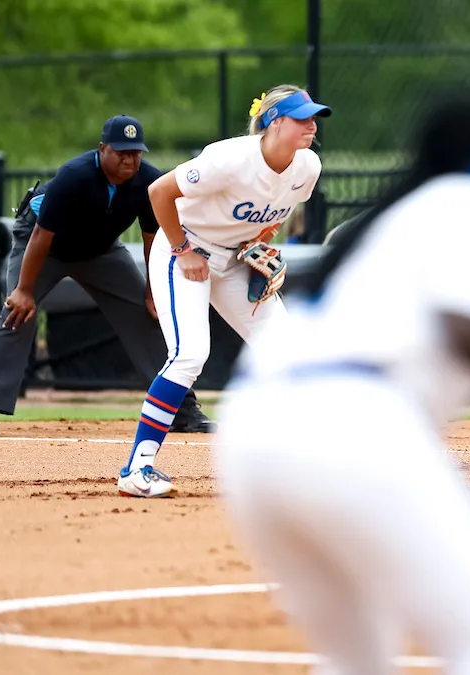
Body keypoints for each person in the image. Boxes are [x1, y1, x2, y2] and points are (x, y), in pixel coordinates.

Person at [213, 91, 470, 675]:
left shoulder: (398, 217)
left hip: (252, 431)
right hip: (356, 425)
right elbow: (467, 327)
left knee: (354, 660)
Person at [117, 85, 328, 498]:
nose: (311, 125)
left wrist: (259, 245)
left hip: (233, 260)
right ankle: (137, 468)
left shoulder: (308, 167)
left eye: (313, 117)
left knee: (287, 348)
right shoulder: (230, 159)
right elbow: (158, 192)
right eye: (301, 117)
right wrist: (182, 249)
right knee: (190, 353)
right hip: (184, 250)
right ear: (273, 122)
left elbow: (272, 216)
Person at [0, 115, 214, 437]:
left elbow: (153, 238)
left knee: (146, 315)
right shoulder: (75, 176)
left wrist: (153, 292)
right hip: (43, 246)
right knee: (17, 314)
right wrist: (25, 289)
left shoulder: (148, 182)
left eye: (136, 152)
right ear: (102, 149)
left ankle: (180, 410)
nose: (130, 159)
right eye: (122, 152)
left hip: (100, 251)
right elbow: (41, 234)